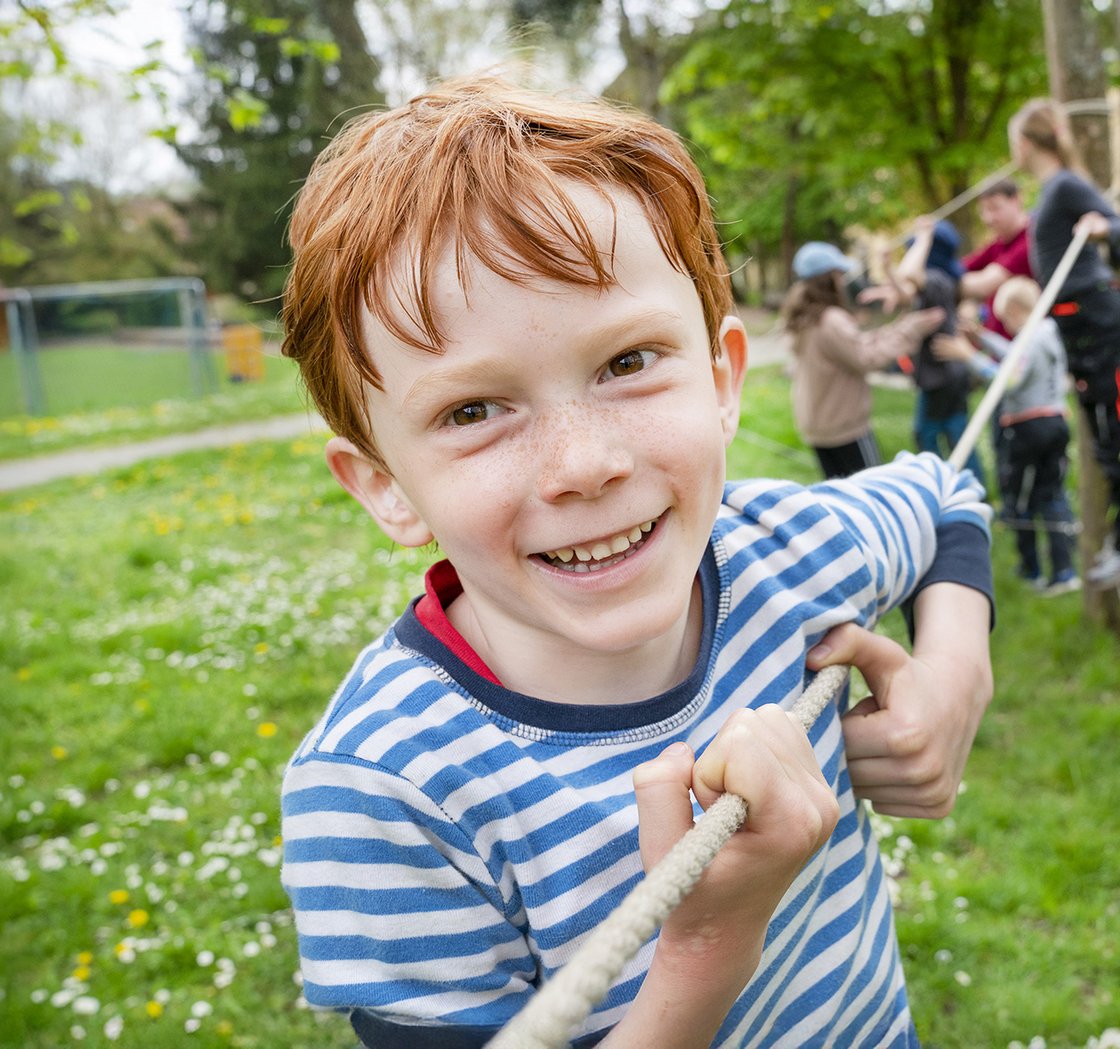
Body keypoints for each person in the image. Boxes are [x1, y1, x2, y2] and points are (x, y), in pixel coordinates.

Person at [278, 75, 995, 1048]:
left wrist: (950, 678)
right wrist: (706, 944)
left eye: (625, 362)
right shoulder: (384, 786)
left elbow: (944, 495)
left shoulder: (788, 551)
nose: (584, 466)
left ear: (720, 380)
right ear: (385, 486)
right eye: (472, 410)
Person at [1010, 97, 1120, 589]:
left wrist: (1103, 229)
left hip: (1100, 324)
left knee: (1114, 436)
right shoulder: (1050, 191)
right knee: (1102, 441)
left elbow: (1116, 225)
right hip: (1078, 333)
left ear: (1027, 141)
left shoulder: (1067, 185)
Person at [935, 276, 1079, 595]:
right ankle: (1064, 571)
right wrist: (983, 337)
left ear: (1015, 309)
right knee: (1052, 494)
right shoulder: (1048, 331)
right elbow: (1016, 353)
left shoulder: (1032, 339)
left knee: (1021, 499)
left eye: (1007, 320)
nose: (1008, 328)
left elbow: (1009, 380)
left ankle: (1032, 569)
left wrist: (968, 355)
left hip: (1027, 428)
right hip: (1055, 421)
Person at [780, 241, 945, 479]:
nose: (843, 281)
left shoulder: (804, 317)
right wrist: (912, 330)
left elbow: (854, 346)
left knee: (840, 492)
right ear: (828, 279)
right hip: (844, 427)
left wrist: (898, 328)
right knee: (869, 491)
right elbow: (867, 357)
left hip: (818, 424)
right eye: (839, 275)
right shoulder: (830, 320)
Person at [959, 179, 1034, 339]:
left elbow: (983, 284)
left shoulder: (1030, 241)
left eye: (994, 208)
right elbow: (961, 267)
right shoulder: (999, 243)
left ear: (1016, 201)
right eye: (983, 211)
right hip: (998, 347)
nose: (988, 218)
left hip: (1023, 349)